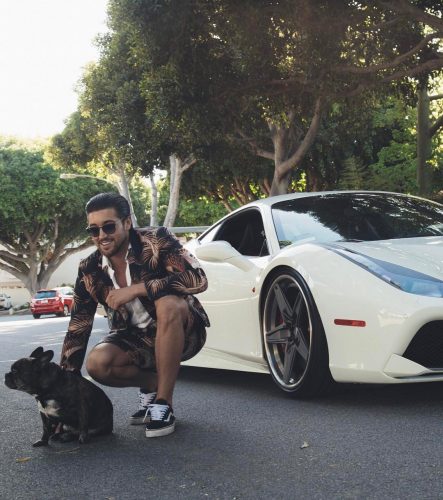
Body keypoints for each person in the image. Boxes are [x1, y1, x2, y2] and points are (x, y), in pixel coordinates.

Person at [60, 192, 209, 438]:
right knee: (97, 364)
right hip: (134, 340)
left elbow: (198, 279)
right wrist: (63, 387)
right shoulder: (89, 268)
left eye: (108, 226)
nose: (101, 236)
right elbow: (78, 325)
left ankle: (163, 403)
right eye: (94, 230)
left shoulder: (156, 239)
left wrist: (137, 290)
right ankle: (152, 383)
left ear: (127, 223)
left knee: (168, 303)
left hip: (184, 331)